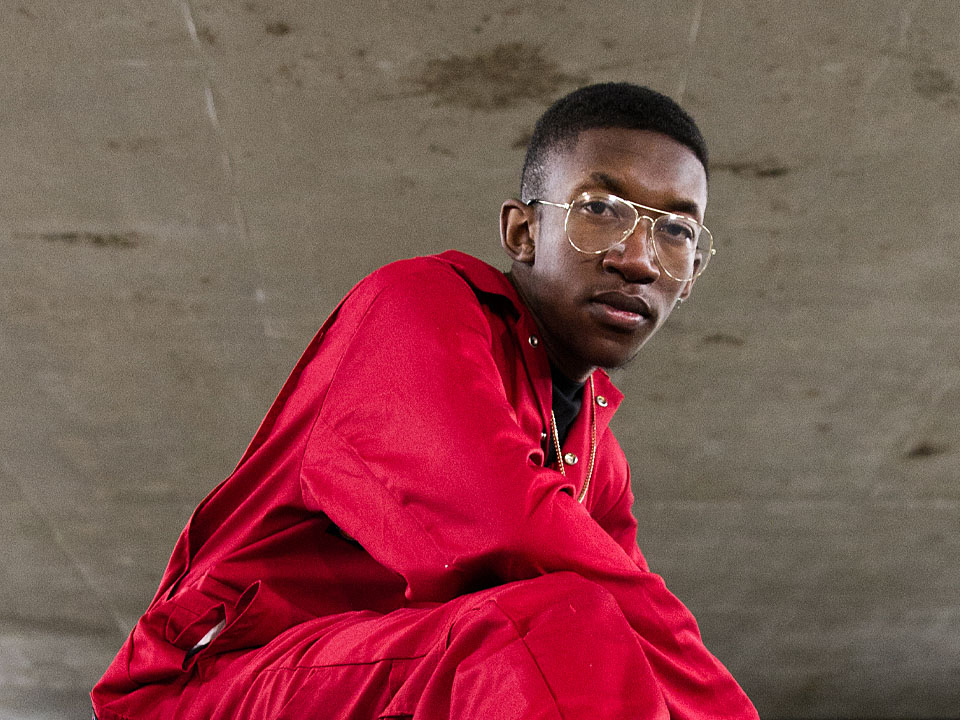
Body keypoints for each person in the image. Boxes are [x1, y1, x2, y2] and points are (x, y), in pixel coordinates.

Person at [92, 82, 758, 719]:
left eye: (676, 231)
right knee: (555, 628)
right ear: (522, 233)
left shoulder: (594, 451)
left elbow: (643, 635)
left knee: (593, 637)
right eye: (601, 210)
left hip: (394, 678)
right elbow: (503, 525)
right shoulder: (418, 309)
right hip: (217, 686)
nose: (640, 259)